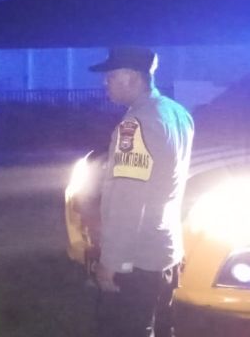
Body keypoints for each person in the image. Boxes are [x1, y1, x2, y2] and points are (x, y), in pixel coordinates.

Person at [88, 46, 194, 337]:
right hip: (165, 249)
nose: (105, 82)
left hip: (137, 259)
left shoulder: (136, 125)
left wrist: (113, 262)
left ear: (132, 78)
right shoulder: (177, 113)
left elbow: (129, 199)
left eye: (111, 76)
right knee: (161, 327)